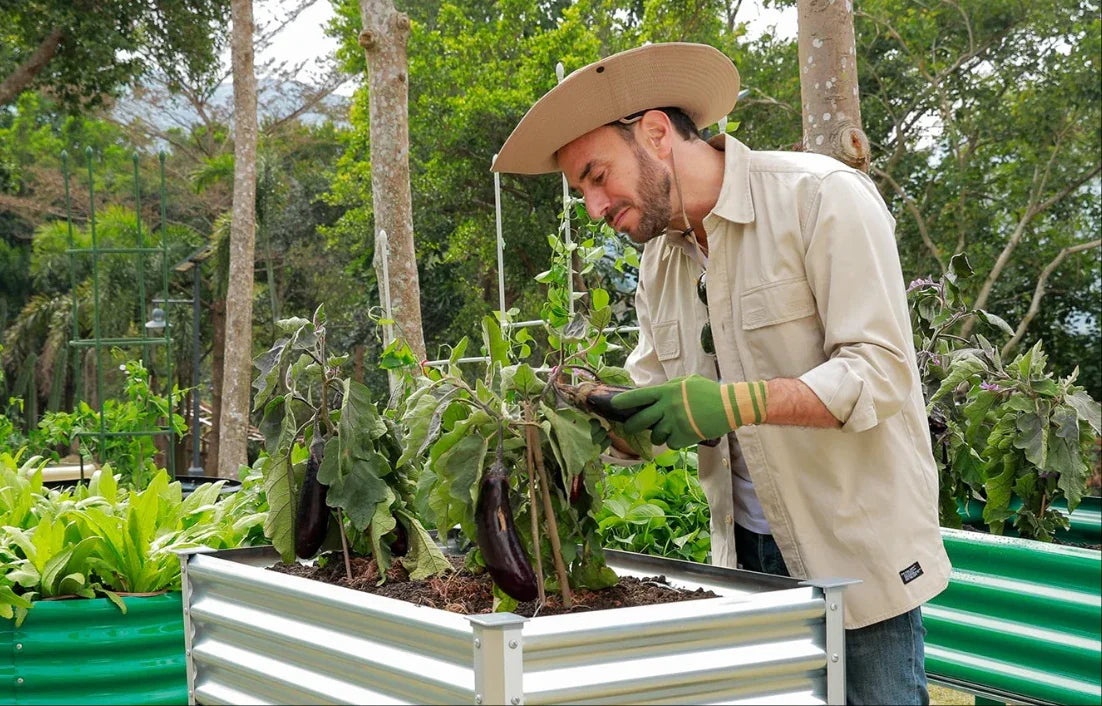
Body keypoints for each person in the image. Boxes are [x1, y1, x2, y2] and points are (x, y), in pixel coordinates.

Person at [493, 42, 950, 704]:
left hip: (856, 564)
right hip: (742, 566)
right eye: (582, 190)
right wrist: (577, 413)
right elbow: (654, 404)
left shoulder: (821, 198)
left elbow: (880, 374)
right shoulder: (662, 263)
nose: (593, 207)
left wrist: (733, 403)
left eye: (597, 176)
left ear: (655, 134)